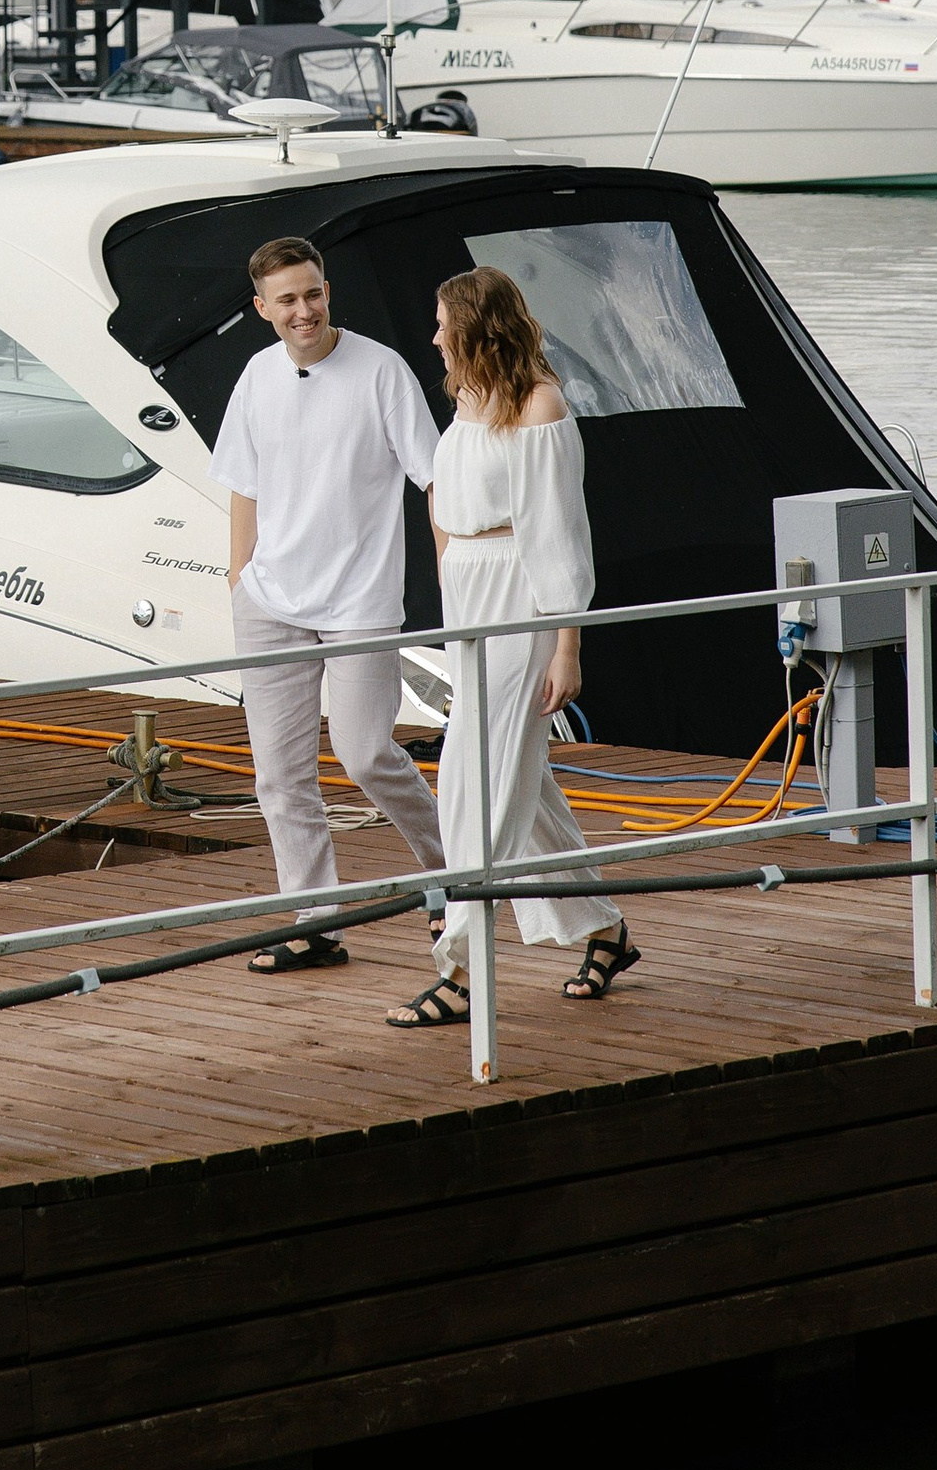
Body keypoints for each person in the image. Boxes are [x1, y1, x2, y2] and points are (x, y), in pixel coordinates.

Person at [386, 263, 637, 1031]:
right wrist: (445, 593)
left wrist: (568, 648)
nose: (432, 335)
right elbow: (439, 497)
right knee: (520, 788)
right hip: (469, 592)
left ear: (476, 326)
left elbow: (560, 537)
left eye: (442, 322)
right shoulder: (467, 399)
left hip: (521, 594)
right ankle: (603, 929)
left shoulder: (539, 406)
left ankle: (461, 965)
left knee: (478, 774)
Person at [211, 234, 448, 973]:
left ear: (326, 291)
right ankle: (315, 923)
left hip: (359, 602)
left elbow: (435, 479)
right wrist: (238, 575)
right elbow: (242, 483)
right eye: (287, 299)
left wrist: (452, 581)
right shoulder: (255, 375)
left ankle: (454, 882)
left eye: (313, 293)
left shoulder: (381, 370)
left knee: (367, 753)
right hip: (270, 600)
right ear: (262, 309)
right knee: (280, 776)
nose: (304, 309)